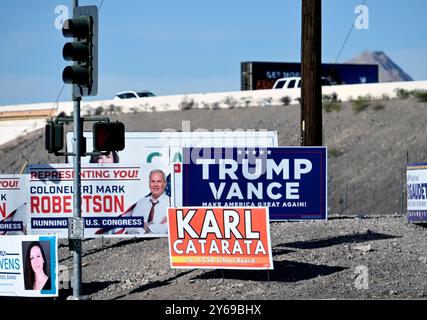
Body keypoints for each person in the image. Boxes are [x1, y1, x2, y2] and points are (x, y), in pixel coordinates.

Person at [127, 169, 170, 235]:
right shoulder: (141, 203)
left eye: (159, 181)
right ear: (149, 183)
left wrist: (145, 226)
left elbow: (167, 228)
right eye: (153, 181)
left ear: (165, 184)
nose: (155, 185)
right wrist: (154, 227)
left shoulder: (171, 203)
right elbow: (130, 228)